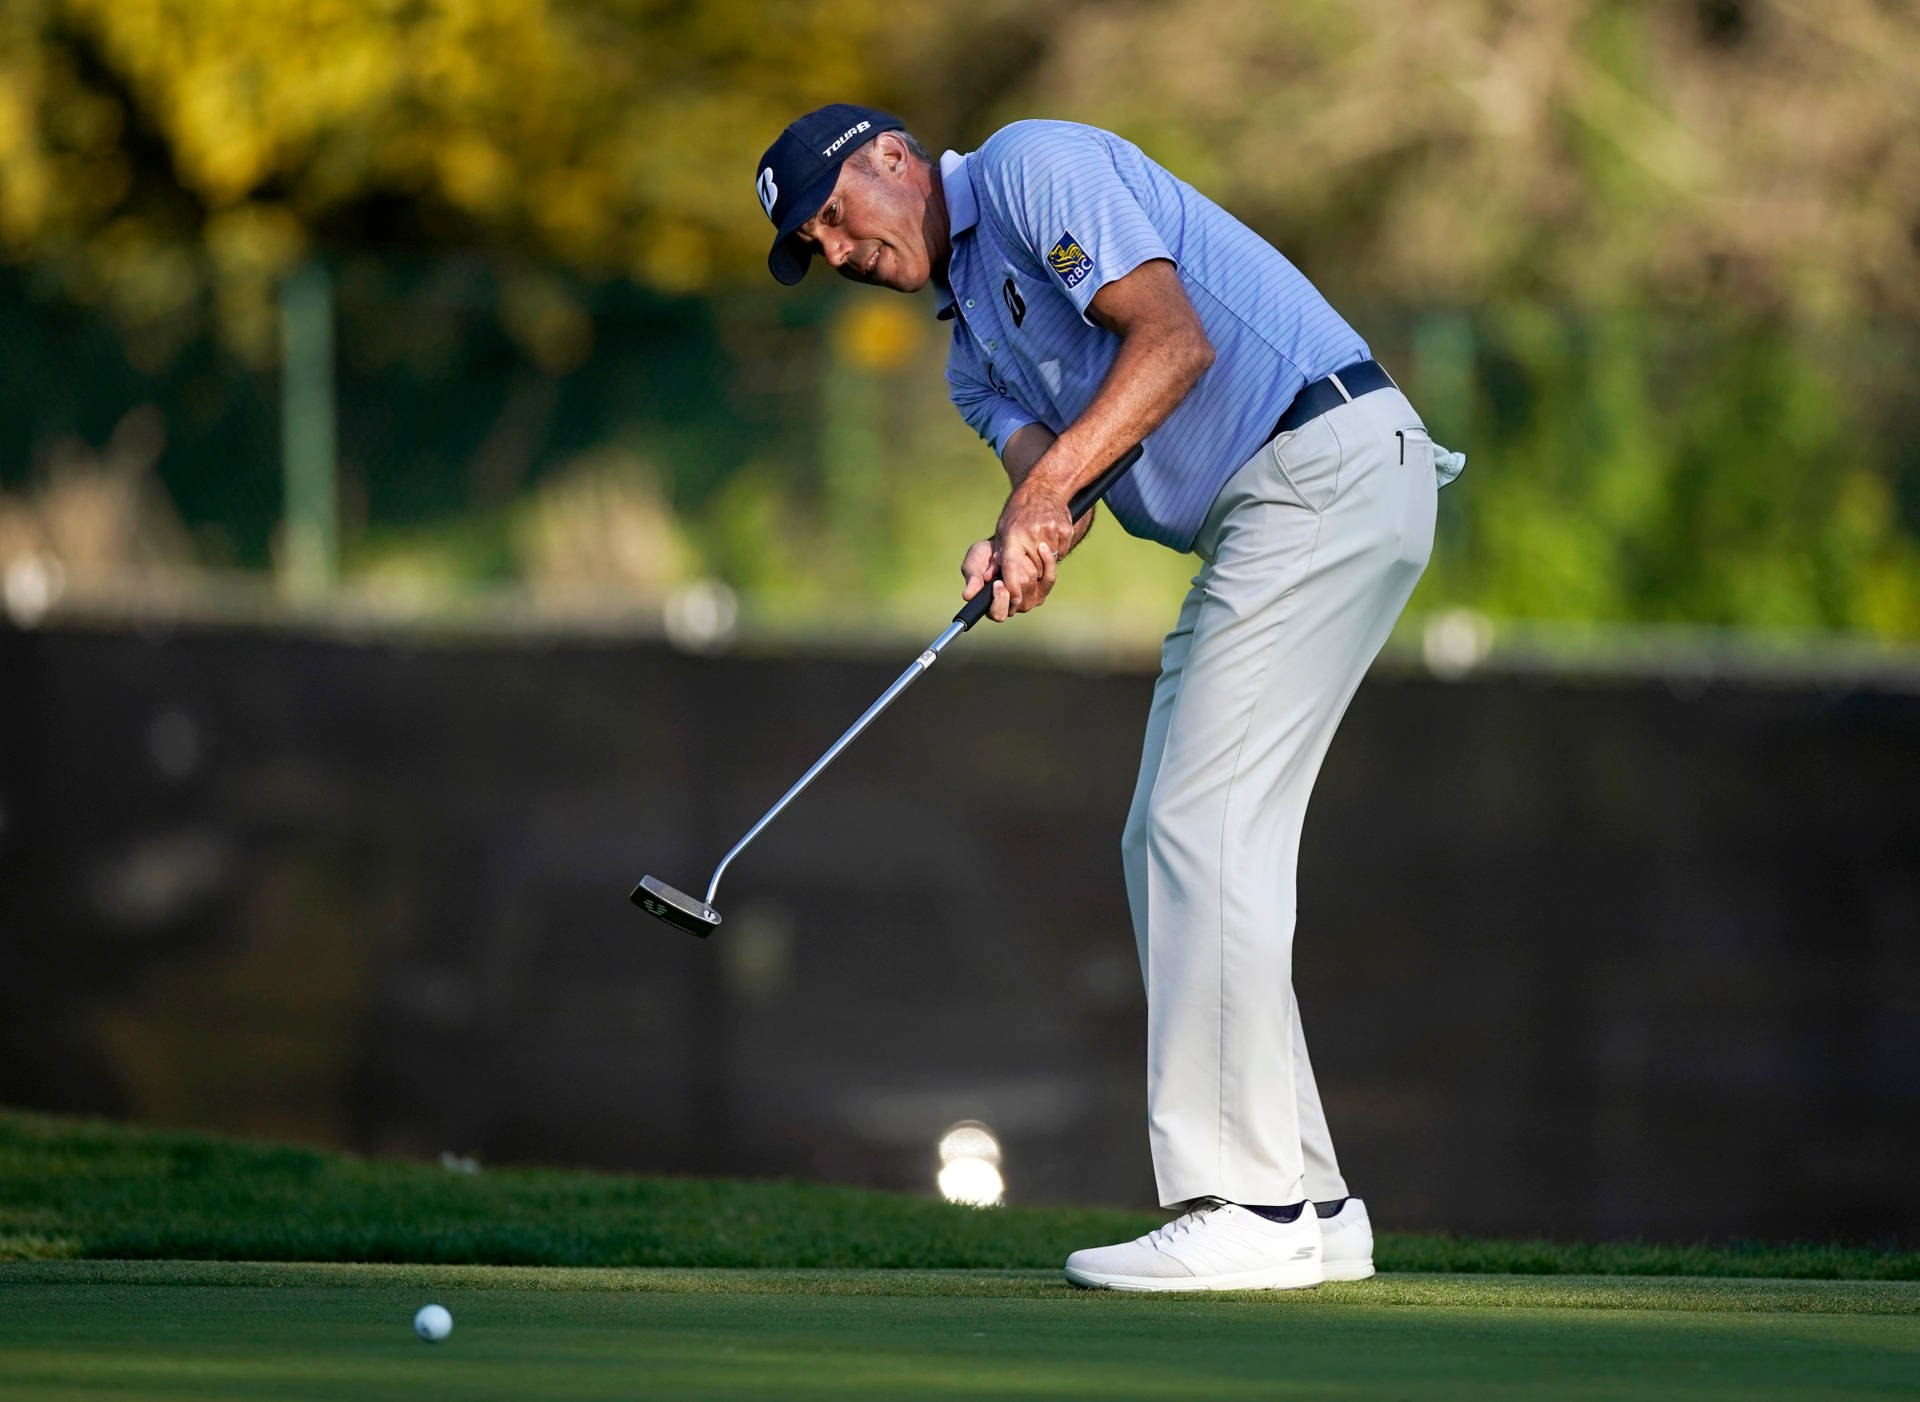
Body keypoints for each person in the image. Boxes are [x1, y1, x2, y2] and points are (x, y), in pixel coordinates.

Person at [753, 104, 1464, 1291]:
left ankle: (1245, 1202)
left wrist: (1044, 500)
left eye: (834, 215)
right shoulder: (968, 356)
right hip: (1281, 509)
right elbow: (1058, 487)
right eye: (814, 248)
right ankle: (1313, 1200)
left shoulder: (1035, 167)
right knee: (1173, 834)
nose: (836, 251)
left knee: (1202, 823)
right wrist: (1018, 537)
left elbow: (1174, 343)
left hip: (1321, 463)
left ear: (891, 155)